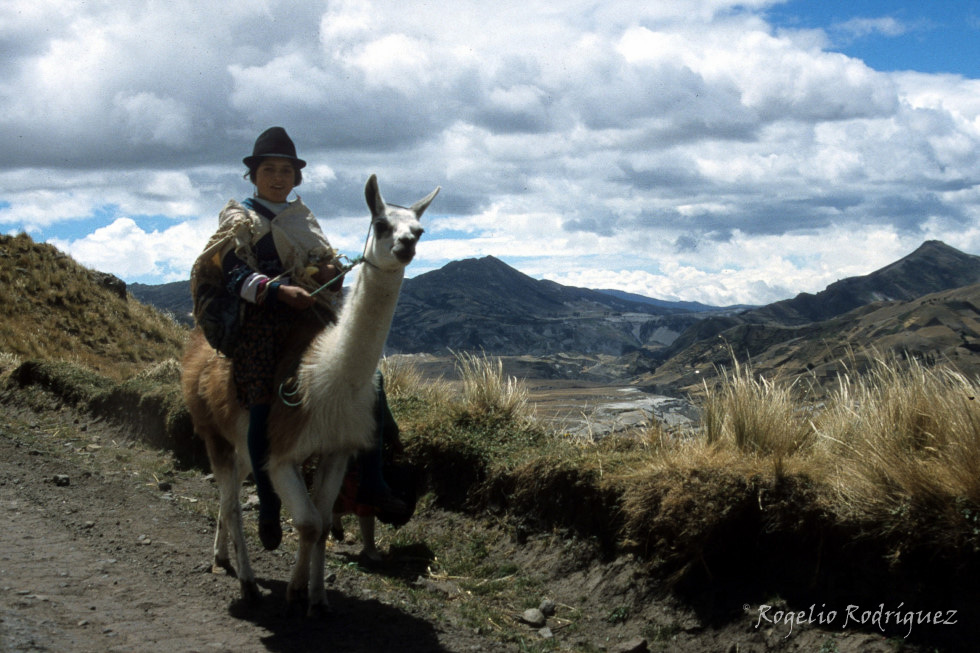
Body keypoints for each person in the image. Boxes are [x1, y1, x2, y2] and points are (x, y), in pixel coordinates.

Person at [198, 126, 406, 551]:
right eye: (270, 169)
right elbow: (234, 273)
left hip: (310, 316)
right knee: (259, 399)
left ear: (297, 178)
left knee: (366, 381)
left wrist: (326, 276)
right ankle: (270, 504)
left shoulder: (303, 219)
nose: (278, 178)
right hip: (261, 320)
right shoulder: (239, 218)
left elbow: (321, 266)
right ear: (254, 175)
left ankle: (373, 480)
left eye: (286, 171)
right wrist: (276, 290)